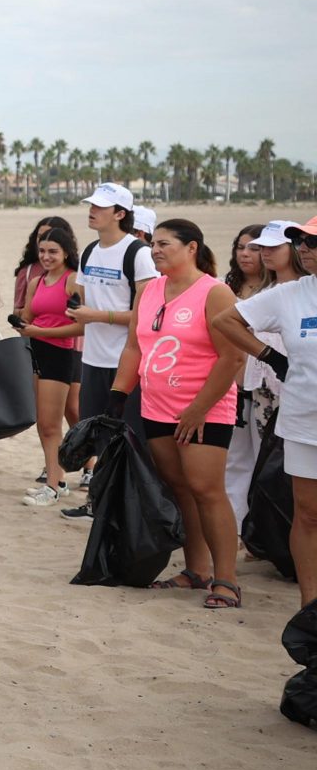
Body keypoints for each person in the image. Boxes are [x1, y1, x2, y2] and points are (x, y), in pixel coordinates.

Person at [117, 217, 254, 610]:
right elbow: (133, 348)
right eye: (153, 244)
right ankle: (197, 571)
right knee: (180, 490)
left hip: (204, 409)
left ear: (192, 248)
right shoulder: (150, 290)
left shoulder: (215, 293)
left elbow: (232, 357)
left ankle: (226, 580)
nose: (155, 250)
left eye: (165, 244)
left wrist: (197, 410)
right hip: (155, 406)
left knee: (208, 491)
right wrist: (117, 395)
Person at [236, 217, 317, 605]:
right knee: (308, 515)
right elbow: (226, 321)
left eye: (312, 242)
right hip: (303, 422)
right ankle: (310, 609)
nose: (303, 247)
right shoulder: (289, 294)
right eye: (300, 240)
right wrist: (272, 357)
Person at [68, 184, 155, 478]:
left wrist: (98, 315)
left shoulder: (138, 253)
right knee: (97, 438)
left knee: (129, 440)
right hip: (92, 360)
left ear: (120, 214)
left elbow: (147, 314)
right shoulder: (90, 251)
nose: (91, 211)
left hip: (126, 362)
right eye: (91, 205)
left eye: (100, 207)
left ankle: (125, 510)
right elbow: (82, 298)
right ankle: (98, 502)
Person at [10, 220, 84, 502]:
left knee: (52, 424)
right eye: (42, 251)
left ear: (66, 252)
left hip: (61, 354)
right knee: (43, 423)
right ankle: (57, 480)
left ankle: (52, 487)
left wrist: (42, 331)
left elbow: (82, 326)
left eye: (53, 251)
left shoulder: (73, 280)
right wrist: (21, 323)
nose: (46, 257)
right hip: (36, 351)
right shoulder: (35, 282)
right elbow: (28, 316)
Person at [223, 221, 287, 530]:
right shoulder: (228, 289)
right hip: (235, 385)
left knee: (268, 458)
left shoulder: (281, 291)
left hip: (269, 386)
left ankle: (262, 530)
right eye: (242, 247)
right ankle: (236, 526)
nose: (247, 254)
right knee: (236, 458)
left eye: (257, 247)